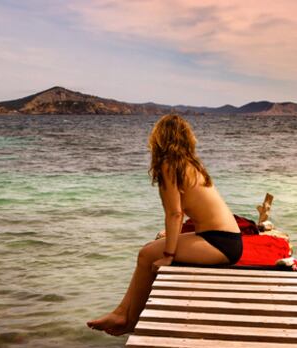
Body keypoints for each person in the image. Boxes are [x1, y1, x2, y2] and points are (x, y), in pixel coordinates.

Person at [87, 114, 243, 336]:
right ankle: (122, 312)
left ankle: (128, 320)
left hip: (219, 244)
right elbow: (193, 210)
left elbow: (174, 213)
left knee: (146, 254)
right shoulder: (190, 165)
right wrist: (170, 238)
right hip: (226, 239)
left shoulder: (169, 165)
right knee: (150, 249)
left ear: (159, 138)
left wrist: (169, 255)